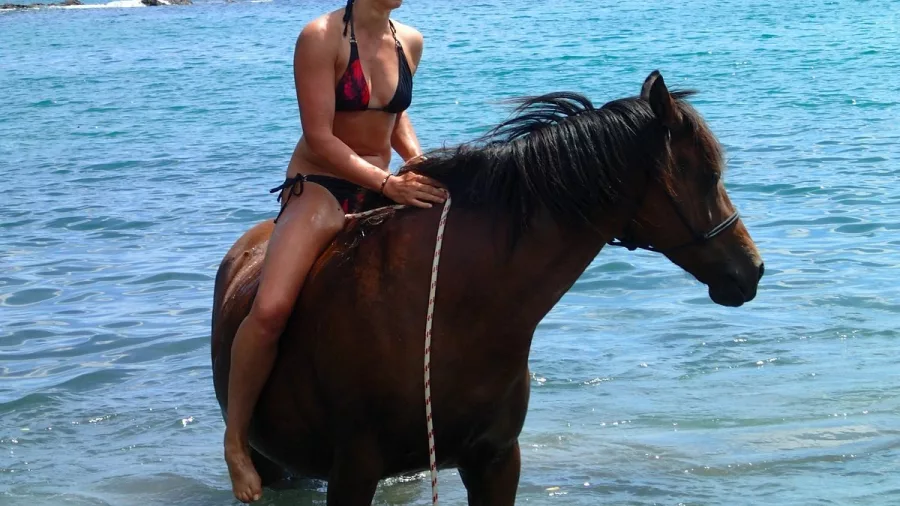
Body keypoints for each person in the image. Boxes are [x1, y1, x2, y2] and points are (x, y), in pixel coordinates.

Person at [223, 0, 447, 502]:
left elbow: (396, 117)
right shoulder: (319, 37)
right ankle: (237, 441)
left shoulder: (408, 39)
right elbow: (320, 138)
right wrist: (388, 183)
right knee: (272, 309)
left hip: (385, 184)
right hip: (323, 186)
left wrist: (421, 162)